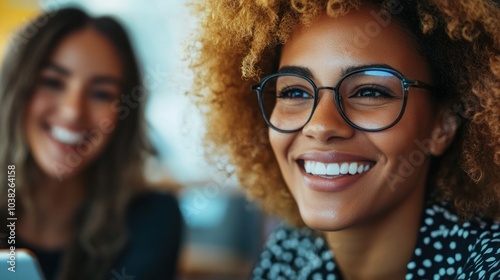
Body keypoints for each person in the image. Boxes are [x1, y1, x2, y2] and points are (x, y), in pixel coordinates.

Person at [189, 0, 500, 279]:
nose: (321, 125)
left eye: (369, 92)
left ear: (441, 126)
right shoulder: (290, 254)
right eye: (294, 92)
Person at [0, 7, 183, 280]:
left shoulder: (151, 219)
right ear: (16, 92)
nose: (73, 111)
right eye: (52, 82)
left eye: (101, 93)